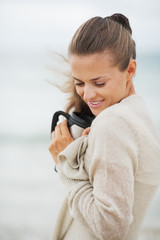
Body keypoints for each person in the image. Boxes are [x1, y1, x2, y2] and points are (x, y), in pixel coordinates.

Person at [48, 13, 160, 240]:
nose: (87, 94)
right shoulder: (140, 116)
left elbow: (110, 228)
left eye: (99, 82)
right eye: (79, 82)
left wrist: (66, 164)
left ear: (130, 70)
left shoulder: (113, 123)